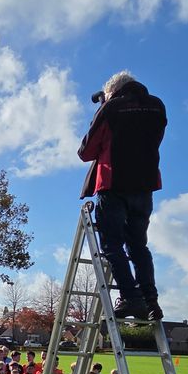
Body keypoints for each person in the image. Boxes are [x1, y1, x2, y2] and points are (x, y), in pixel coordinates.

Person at [78, 69, 167, 320]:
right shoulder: (157, 107)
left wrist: (103, 108)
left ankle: (131, 297)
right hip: (145, 186)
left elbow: (86, 151)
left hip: (114, 184)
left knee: (112, 245)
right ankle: (151, 301)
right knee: (139, 246)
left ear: (112, 92)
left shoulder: (112, 108)